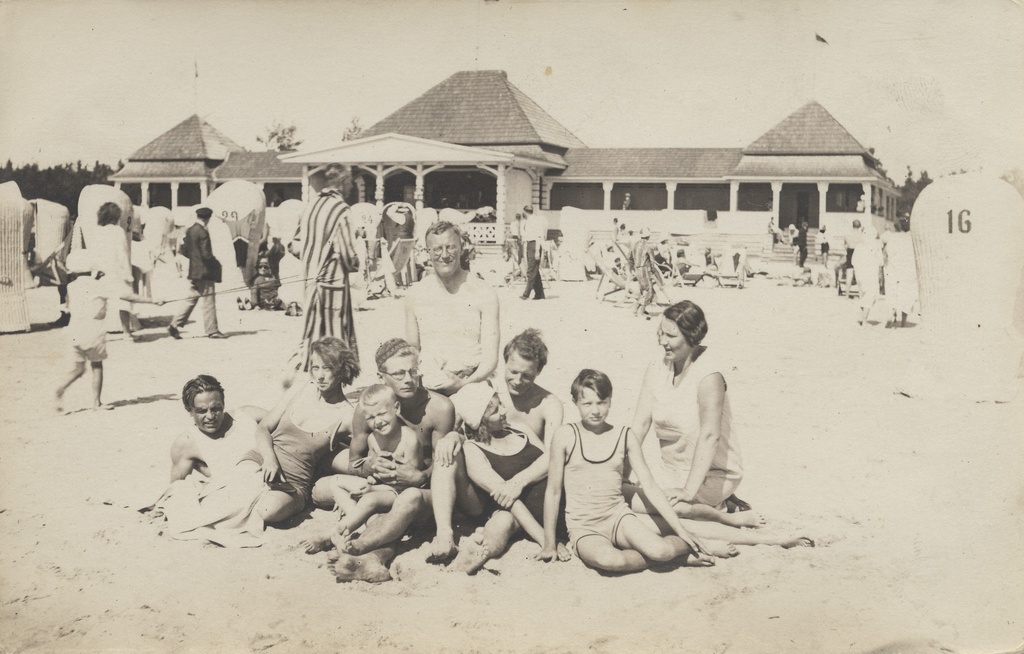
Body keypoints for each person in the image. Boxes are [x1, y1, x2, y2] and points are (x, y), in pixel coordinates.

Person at [630, 301, 815, 550]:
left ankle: (729, 519)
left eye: (671, 336)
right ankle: (720, 513)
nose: (663, 341)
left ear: (692, 337)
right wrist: (618, 469)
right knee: (625, 498)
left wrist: (688, 489)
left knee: (664, 510)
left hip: (711, 473)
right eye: (660, 334)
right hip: (670, 469)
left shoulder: (708, 376)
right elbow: (639, 425)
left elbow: (709, 436)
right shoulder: (655, 368)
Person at [537, 369, 716, 573]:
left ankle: (683, 549)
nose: (595, 410)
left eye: (601, 402)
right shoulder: (565, 435)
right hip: (584, 526)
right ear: (575, 402)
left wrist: (680, 529)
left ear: (610, 400)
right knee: (610, 561)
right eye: (587, 403)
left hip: (618, 517)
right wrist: (549, 544)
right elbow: (553, 491)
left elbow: (649, 485)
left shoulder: (624, 435)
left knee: (661, 550)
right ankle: (681, 558)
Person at [323, 338, 455, 583]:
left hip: (426, 496)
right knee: (356, 499)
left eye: (413, 371)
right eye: (398, 373)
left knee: (407, 499)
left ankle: (359, 549)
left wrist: (421, 476)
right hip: (384, 490)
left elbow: (446, 464)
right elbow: (355, 462)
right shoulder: (369, 408)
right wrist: (371, 466)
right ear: (381, 375)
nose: (408, 379)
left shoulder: (439, 408)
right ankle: (365, 558)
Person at [449, 384, 569, 574]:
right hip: (527, 516)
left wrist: (519, 481)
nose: (504, 411)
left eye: (501, 405)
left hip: (557, 500)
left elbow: (551, 460)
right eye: (496, 411)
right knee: (503, 522)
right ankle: (476, 554)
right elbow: (507, 497)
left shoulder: (520, 429)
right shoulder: (473, 450)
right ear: (480, 421)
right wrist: (547, 540)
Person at [238, 337, 358, 525]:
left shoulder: (347, 414)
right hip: (263, 459)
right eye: (315, 367)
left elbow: (365, 450)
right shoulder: (302, 388)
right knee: (236, 492)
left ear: (342, 371)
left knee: (267, 511)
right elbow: (263, 427)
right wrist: (270, 460)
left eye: (327, 368)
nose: (319, 376)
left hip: (294, 482)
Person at [299, 385, 425, 555]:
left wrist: (373, 488)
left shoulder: (408, 439)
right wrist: (372, 481)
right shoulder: (373, 438)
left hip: (399, 493)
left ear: (396, 409)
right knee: (336, 482)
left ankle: (334, 533)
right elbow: (374, 473)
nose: (377, 422)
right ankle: (361, 518)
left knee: (369, 500)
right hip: (380, 487)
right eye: (371, 418)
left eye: (381, 414)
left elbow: (411, 484)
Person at [54, 249, 165, 413]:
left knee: (78, 368)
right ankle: (96, 403)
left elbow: (72, 305)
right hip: (93, 331)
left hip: (74, 330)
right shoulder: (99, 285)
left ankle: (61, 388)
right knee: (97, 365)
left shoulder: (71, 286)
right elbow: (127, 296)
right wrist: (152, 301)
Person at [405, 220, 499, 395]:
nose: (445, 255)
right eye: (437, 249)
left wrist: (463, 384)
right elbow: (412, 350)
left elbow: (490, 359)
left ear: (461, 247)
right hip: (429, 385)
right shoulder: (415, 294)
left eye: (451, 247)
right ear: (428, 252)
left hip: (472, 382)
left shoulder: (483, 292)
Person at [289, 164, 360, 371]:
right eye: (349, 182)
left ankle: (309, 369)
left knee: (312, 329)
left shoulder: (310, 206)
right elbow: (348, 253)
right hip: (333, 284)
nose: (351, 187)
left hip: (310, 281)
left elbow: (294, 245)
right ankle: (334, 376)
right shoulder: (341, 209)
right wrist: (355, 264)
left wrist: (313, 260)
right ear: (343, 182)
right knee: (334, 332)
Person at [168, 375, 262, 482]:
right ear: (189, 410)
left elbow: (284, 427)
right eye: (202, 411)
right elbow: (177, 489)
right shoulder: (186, 443)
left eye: (216, 409)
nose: (211, 416)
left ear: (223, 404)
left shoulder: (248, 416)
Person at [168, 206, 226, 340]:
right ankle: (212, 330)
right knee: (209, 301)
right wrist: (216, 264)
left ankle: (175, 324)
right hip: (205, 272)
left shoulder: (190, 230)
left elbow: (185, 251)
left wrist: (195, 262)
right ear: (208, 218)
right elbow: (206, 255)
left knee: (191, 298)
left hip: (194, 271)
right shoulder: (203, 232)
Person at [499, 329, 563, 448]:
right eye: (513, 372)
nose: (517, 381)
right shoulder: (488, 391)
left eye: (526, 376)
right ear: (505, 362)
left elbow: (552, 456)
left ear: (538, 371)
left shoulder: (549, 404)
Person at [88, 202, 138, 341]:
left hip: (101, 271)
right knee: (123, 303)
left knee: (102, 304)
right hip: (117, 271)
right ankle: (127, 333)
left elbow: (93, 253)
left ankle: (99, 333)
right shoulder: (118, 231)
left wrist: (94, 270)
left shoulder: (96, 231)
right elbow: (123, 253)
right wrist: (128, 273)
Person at [882, 217, 917, 328]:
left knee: (892, 293)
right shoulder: (911, 238)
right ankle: (903, 321)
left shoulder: (892, 238)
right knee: (906, 294)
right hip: (908, 269)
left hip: (893, 269)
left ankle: (889, 318)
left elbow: (886, 253)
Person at [851, 219, 884, 326]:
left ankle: (863, 316)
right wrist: (880, 276)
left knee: (864, 296)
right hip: (871, 274)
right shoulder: (876, 246)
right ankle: (864, 320)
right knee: (871, 297)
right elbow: (880, 262)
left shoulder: (860, 245)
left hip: (860, 274)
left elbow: (853, 261)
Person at [520, 205, 546, 301]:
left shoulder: (536, 221)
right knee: (535, 270)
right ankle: (540, 294)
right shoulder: (527, 221)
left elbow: (539, 236)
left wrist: (537, 252)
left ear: (525, 212)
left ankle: (526, 294)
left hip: (535, 245)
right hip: (530, 244)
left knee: (531, 271)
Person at [631, 227, 655, 317]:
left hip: (637, 269)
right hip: (645, 269)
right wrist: (653, 270)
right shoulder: (649, 246)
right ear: (648, 236)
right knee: (648, 290)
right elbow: (652, 260)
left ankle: (635, 309)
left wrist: (633, 266)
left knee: (642, 290)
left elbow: (629, 257)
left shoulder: (634, 245)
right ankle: (641, 311)